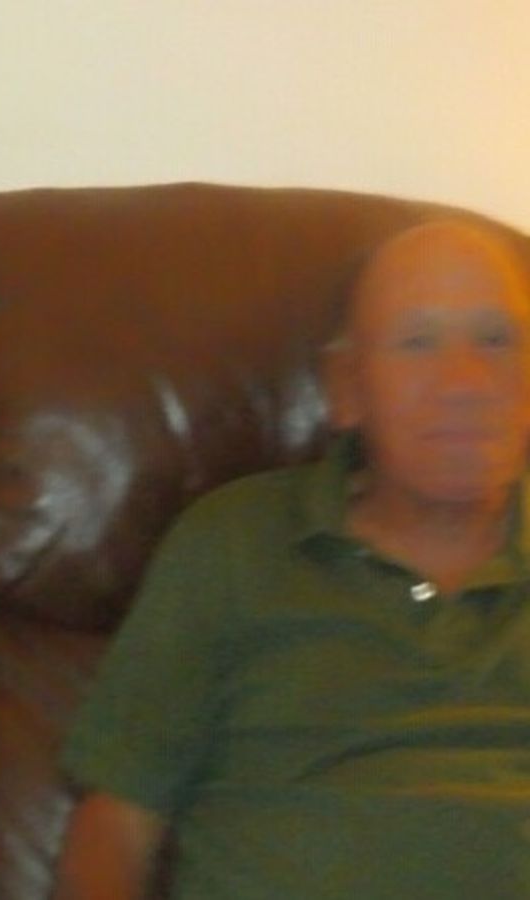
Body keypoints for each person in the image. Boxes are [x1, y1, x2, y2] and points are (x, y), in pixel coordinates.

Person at [53, 219, 530, 899]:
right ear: (346, 388)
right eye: (417, 342)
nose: (465, 380)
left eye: (496, 339)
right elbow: (116, 825)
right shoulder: (234, 542)